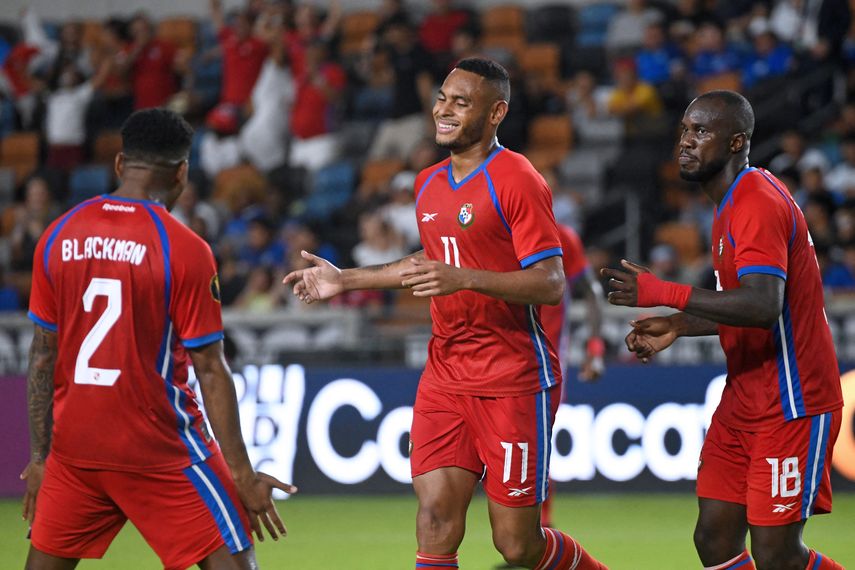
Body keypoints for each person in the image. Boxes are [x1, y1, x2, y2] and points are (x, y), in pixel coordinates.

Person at [284, 57, 607, 570]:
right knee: (434, 518)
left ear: (496, 112)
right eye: (442, 97)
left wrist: (467, 278)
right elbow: (427, 262)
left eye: (462, 101)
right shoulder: (428, 183)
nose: (445, 109)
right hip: (446, 373)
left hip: (513, 377)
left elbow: (550, 284)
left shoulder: (517, 178)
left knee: (518, 545)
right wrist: (346, 278)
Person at [22, 108, 295, 570]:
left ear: (119, 163)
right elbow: (210, 368)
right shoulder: (184, 248)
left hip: (75, 453)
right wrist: (243, 475)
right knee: (236, 560)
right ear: (183, 172)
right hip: (160, 450)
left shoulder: (57, 235)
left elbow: (42, 356)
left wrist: (39, 457)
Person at [602, 90, 844, 570]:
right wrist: (677, 325)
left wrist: (663, 292)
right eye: (685, 131)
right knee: (714, 537)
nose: (685, 142)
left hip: (792, 400)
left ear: (737, 142)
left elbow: (761, 305)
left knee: (777, 554)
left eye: (701, 132)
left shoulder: (755, 201)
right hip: (745, 396)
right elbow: (741, 305)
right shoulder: (730, 203)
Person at [537, 223, 606, 531]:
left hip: (545, 360)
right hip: (496, 353)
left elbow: (590, 288)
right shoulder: (495, 228)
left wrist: (595, 346)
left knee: (536, 441)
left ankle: (540, 531)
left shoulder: (561, 235)